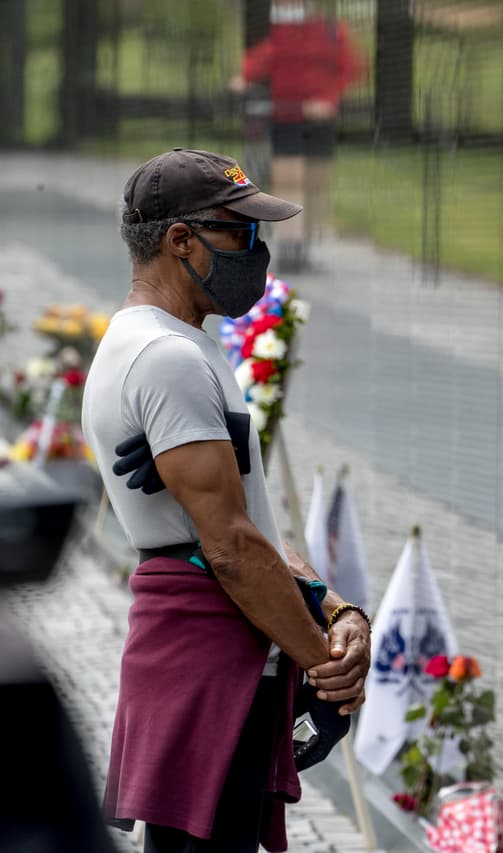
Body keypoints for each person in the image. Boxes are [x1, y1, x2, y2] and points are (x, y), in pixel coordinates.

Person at [82, 148, 372, 852]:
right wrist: (324, 667)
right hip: (210, 656)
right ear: (180, 240)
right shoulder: (167, 358)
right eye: (238, 232)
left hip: (204, 649)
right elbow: (231, 546)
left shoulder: (169, 345)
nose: (258, 250)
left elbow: (246, 526)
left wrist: (335, 607)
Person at [231, 0, 364, 272]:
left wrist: (328, 100)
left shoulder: (332, 32)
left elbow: (351, 69)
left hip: (319, 121)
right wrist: (245, 77)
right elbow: (266, 57)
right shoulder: (282, 31)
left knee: (315, 184)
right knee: (288, 180)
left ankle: (305, 245)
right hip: (286, 117)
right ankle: (290, 249)